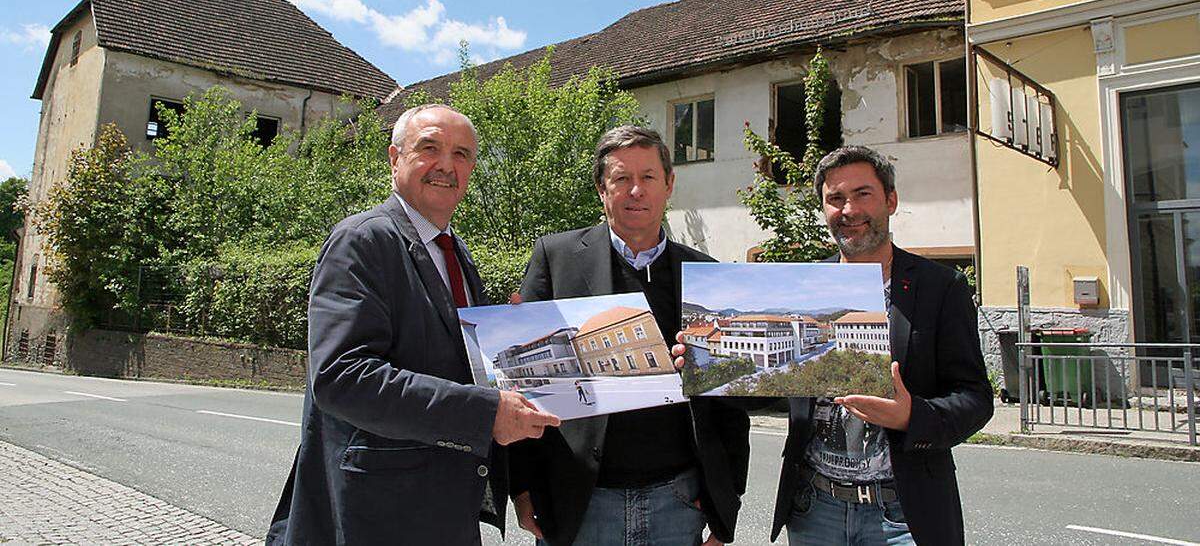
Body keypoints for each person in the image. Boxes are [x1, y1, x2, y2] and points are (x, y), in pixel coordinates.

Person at [266, 104, 559, 546]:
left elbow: (453, 364)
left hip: (442, 511)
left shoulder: (454, 251)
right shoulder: (362, 240)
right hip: (376, 514)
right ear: (394, 158)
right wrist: (486, 412)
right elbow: (341, 377)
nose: (446, 165)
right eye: (430, 148)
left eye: (462, 154)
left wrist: (510, 338)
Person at [510, 125, 751, 546]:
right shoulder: (556, 258)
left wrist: (726, 500)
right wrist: (522, 485)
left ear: (669, 184)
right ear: (602, 190)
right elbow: (523, 387)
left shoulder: (705, 273)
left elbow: (730, 404)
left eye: (648, 177)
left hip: (677, 500)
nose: (635, 190)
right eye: (621, 179)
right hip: (580, 501)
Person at [768, 146, 992, 545]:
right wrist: (706, 366)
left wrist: (912, 416)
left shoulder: (941, 288)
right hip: (814, 510)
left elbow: (975, 398)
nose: (849, 209)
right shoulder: (800, 288)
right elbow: (771, 388)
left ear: (890, 200)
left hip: (903, 515)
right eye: (835, 199)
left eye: (862, 194)